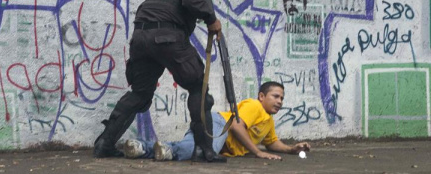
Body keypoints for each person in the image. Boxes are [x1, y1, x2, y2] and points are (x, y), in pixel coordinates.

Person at [93, 0, 224, 162]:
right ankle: (204, 150)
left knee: (140, 93)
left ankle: (104, 143)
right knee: (197, 87)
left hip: (141, 39)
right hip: (168, 38)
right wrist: (212, 20)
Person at [121, 81, 311, 161]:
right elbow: (236, 125)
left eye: (282, 98)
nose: (279, 101)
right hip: (220, 125)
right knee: (191, 151)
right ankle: (157, 148)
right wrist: (257, 153)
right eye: (275, 96)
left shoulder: (268, 121)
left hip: (219, 136)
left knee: (190, 149)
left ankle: (140, 147)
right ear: (262, 96)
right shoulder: (255, 106)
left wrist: (291, 149)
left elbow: (272, 143)